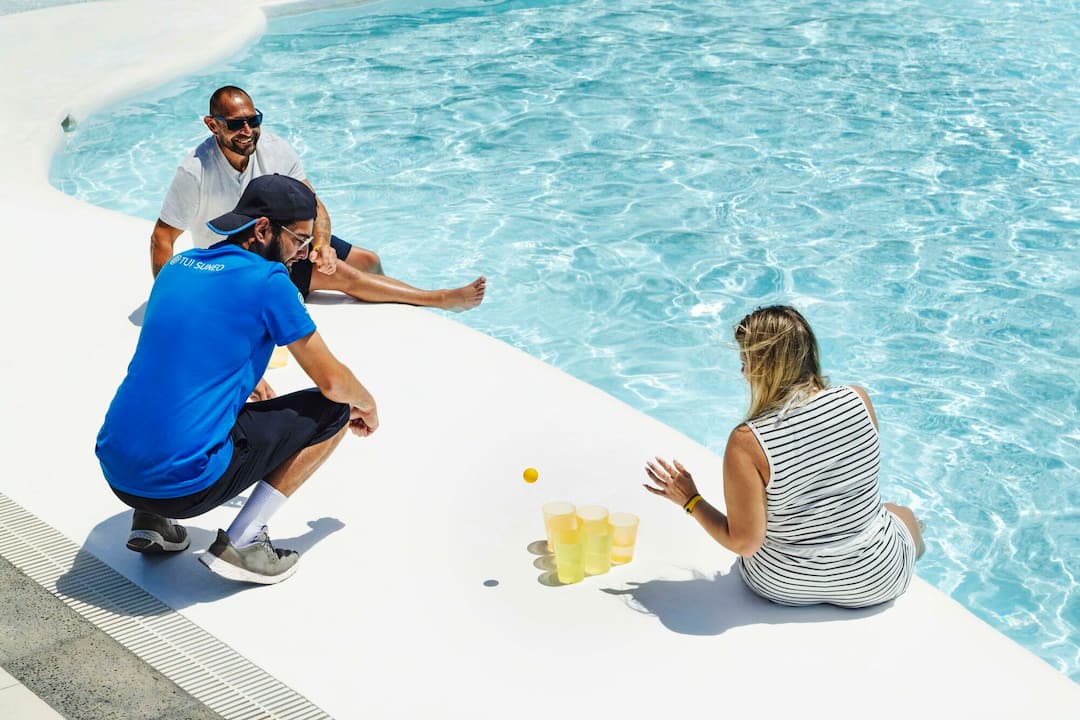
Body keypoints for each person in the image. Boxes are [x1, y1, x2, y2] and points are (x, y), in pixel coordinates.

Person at [97, 174, 380, 584]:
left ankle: (151, 520)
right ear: (263, 229)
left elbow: (182, 352)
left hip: (118, 471)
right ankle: (244, 541)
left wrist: (245, 378)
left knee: (173, 399)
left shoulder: (177, 266)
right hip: (185, 487)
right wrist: (367, 405)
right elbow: (333, 383)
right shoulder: (269, 281)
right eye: (300, 240)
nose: (304, 254)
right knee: (334, 408)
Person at [644, 305, 925, 608]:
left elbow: (744, 542)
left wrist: (690, 499)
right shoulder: (858, 400)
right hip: (876, 580)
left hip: (783, 584)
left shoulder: (747, 442)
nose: (743, 372)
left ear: (766, 368)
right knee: (902, 514)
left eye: (746, 362)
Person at [150, 85, 486, 312]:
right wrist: (168, 302)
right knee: (340, 275)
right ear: (213, 125)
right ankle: (438, 299)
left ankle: (400, 307)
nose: (248, 131)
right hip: (239, 262)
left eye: (253, 121)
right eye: (237, 124)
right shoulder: (195, 171)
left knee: (368, 260)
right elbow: (162, 238)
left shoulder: (274, 149)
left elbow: (313, 204)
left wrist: (322, 244)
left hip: (287, 240)